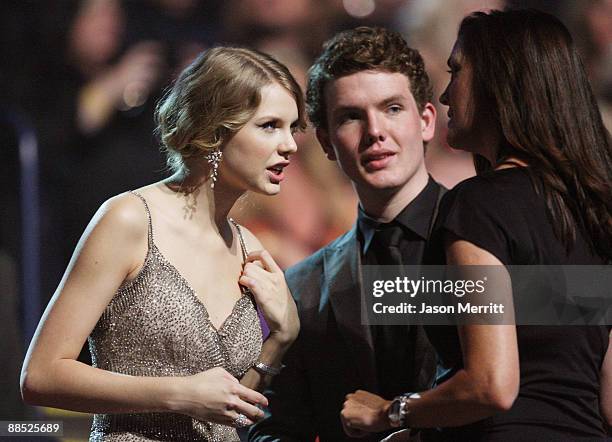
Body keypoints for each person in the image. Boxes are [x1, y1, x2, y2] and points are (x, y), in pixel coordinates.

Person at [340, 9, 612, 441]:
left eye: (456, 72)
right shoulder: (593, 208)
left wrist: (391, 413)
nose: (446, 95)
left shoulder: (481, 204)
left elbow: (491, 386)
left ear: (499, 81)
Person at [21, 46, 306, 441]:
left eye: (293, 128)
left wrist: (281, 338)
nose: (291, 144)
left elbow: (230, 411)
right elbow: (41, 375)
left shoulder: (248, 247)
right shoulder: (130, 220)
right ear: (215, 130)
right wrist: (178, 394)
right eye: (270, 125)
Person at [249, 26, 443, 441]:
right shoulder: (304, 286)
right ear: (324, 141)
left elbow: (557, 383)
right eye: (351, 116)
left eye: (392, 108)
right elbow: (276, 428)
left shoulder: (497, 236)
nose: (375, 131)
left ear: (426, 121)